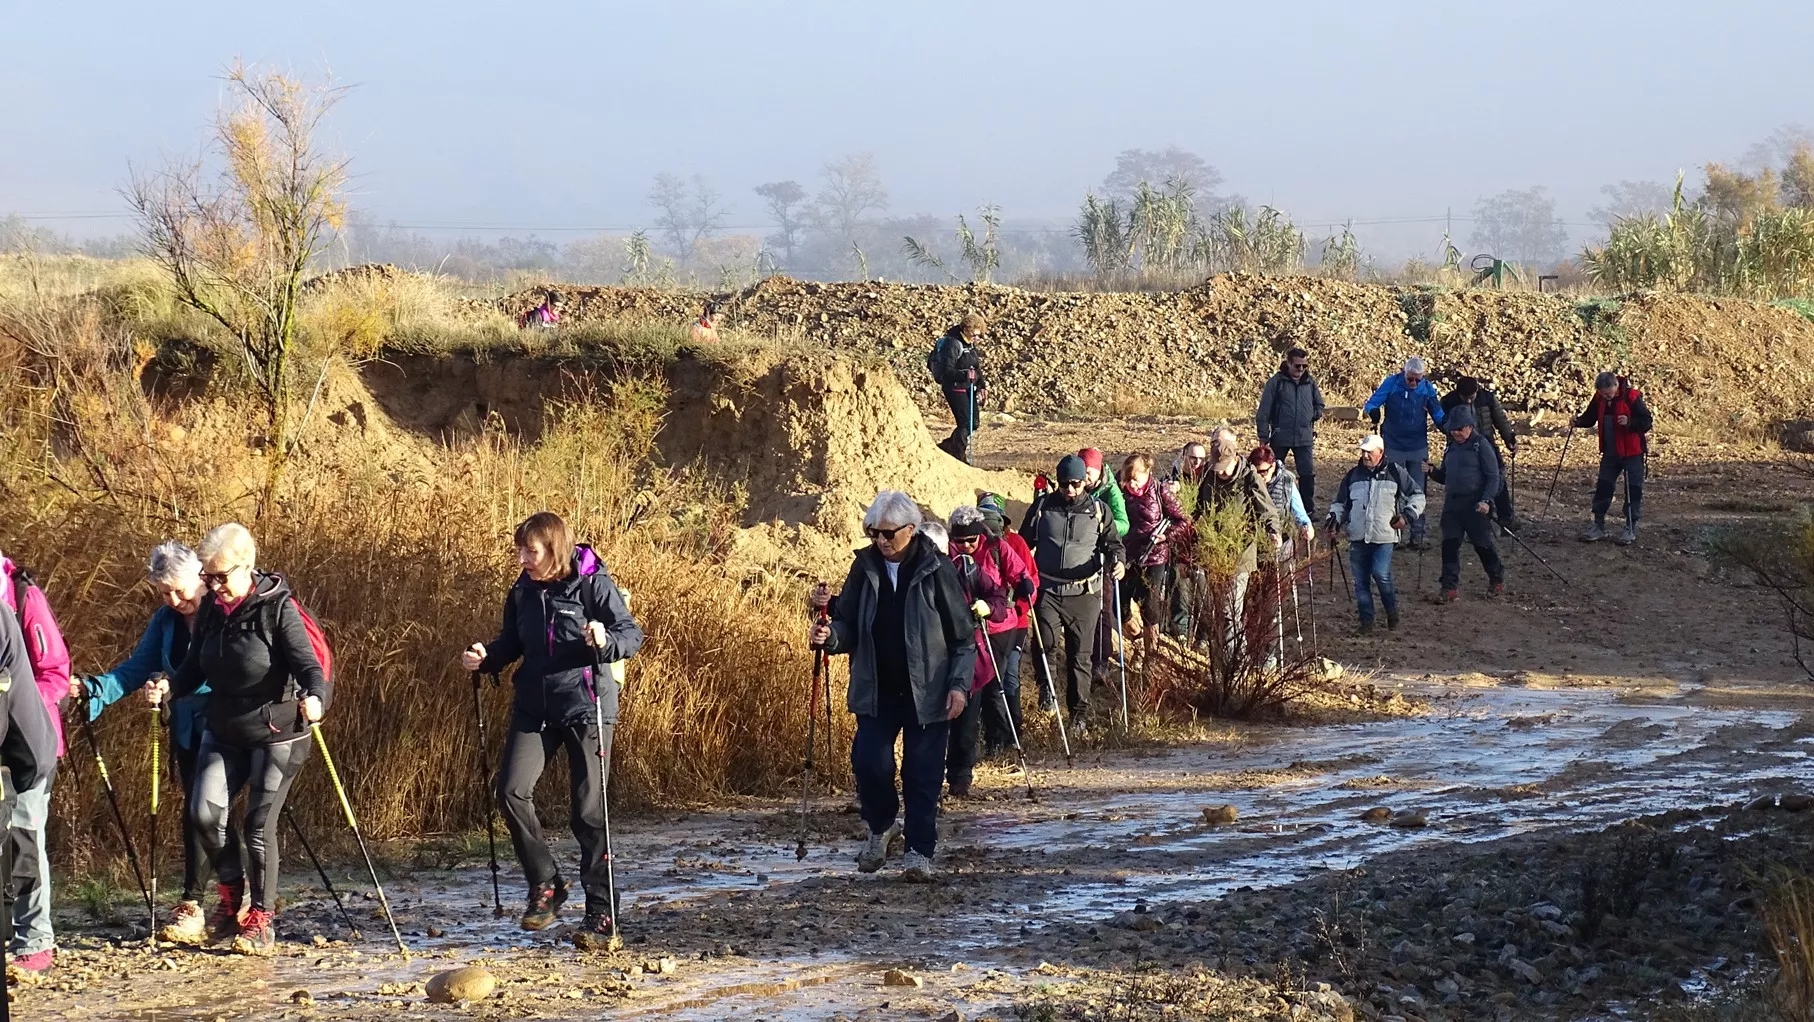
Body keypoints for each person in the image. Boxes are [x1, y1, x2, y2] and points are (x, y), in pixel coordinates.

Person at [460, 512, 643, 946]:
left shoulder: (592, 584)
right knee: (511, 791)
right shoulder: (522, 590)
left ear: (554, 549)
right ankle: (546, 884)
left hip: (587, 705)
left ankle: (601, 914)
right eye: (519, 550)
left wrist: (604, 639)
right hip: (534, 707)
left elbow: (631, 634)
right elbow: (513, 642)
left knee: (588, 812)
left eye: (531, 551)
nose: (522, 559)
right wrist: (486, 657)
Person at [147, 523, 330, 955]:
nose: (213, 586)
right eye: (207, 577)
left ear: (246, 566)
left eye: (220, 577)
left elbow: (309, 667)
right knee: (203, 814)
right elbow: (194, 667)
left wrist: (317, 698)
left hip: (278, 732)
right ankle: (231, 899)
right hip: (224, 728)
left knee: (257, 826)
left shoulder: (277, 607)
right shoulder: (212, 609)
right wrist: (169, 686)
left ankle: (261, 920)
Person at [810, 492, 975, 882]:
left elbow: (963, 638)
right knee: (870, 762)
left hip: (928, 690)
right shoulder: (864, 567)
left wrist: (958, 686)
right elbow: (847, 623)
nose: (881, 541)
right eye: (874, 533)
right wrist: (830, 636)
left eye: (888, 533)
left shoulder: (937, 569)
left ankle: (918, 851)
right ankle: (882, 827)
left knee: (922, 773)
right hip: (877, 687)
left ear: (911, 530)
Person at [73, 542, 226, 944]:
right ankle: (225, 899)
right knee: (200, 810)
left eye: (179, 590)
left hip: (230, 723)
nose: (173, 600)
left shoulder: (225, 609)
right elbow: (137, 667)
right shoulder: (165, 620)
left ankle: (205, 902)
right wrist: (93, 688)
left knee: (204, 811)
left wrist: (173, 685)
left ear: (200, 577)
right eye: (164, 593)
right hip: (188, 726)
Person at [1020, 456, 1124, 737]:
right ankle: (1047, 693)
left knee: (1080, 656)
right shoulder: (1043, 508)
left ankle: (1079, 715)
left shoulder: (1099, 511)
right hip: (1048, 590)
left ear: (1084, 482)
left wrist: (1118, 562)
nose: (1070, 490)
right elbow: (1023, 544)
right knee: (1045, 644)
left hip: (1084, 594)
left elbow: (1114, 545)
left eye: (1076, 484)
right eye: (1064, 484)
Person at [0, 550, 67, 973]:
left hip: (30, 742)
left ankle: (35, 939)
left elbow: (56, 672)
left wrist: (17, 703)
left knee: (24, 835)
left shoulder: (24, 597)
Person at [938, 512, 1011, 798]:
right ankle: (930, 778)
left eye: (972, 540)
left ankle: (960, 778)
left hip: (970, 652)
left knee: (967, 721)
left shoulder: (968, 568)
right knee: (934, 722)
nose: (966, 545)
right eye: (960, 541)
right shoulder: (925, 568)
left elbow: (999, 598)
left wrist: (988, 608)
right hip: (932, 654)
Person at [1192, 428, 1282, 654]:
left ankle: (1235, 657)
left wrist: (1274, 532)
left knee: (1229, 608)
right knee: (1219, 608)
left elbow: (1267, 509)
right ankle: (1228, 654)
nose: (1221, 472)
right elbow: (1196, 507)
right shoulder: (1208, 475)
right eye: (1218, 468)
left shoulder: (1249, 477)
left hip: (1241, 552)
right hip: (1214, 550)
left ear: (1234, 459)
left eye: (1225, 467)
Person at [1326, 435, 1425, 634]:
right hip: (1358, 536)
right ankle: (1366, 622)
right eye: (1363, 451)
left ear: (1380, 452)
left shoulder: (1396, 472)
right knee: (1360, 582)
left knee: (1380, 574)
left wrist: (1407, 516)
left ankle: (1392, 613)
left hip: (1385, 536)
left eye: (1369, 452)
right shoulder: (1352, 475)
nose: (1365, 455)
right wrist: (1333, 520)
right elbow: (1340, 504)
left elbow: (1418, 495)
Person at [975, 494, 1036, 756]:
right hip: (983, 625)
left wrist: (1020, 606)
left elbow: (1029, 579)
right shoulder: (971, 544)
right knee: (986, 680)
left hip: (1014, 623)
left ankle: (1011, 732)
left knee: (1006, 678)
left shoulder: (1014, 543)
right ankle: (992, 735)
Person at [1363, 357, 1446, 549]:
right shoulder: (1392, 383)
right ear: (1403, 373)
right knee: (1392, 489)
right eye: (1411, 379)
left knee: (1418, 490)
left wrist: (1445, 424)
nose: (1414, 383)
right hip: (1393, 444)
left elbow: (1437, 411)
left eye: (1418, 379)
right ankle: (1394, 534)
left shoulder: (1427, 388)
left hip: (1417, 446)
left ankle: (1418, 535)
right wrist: (1373, 411)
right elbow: (1372, 403)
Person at [1427, 406, 1505, 602]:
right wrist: (1431, 471)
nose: (1456, 433)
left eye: (1459, 429)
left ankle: (1496, 578)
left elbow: (1493, 477)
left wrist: (1486, 500)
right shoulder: (1451, 447)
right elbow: (1445, 476)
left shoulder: (1481, 445)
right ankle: (1449, 588)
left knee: (1482, 545)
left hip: (1475, 505)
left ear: (1470, 427)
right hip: (1452, 504)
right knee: (1449, 545)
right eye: (1453, 429)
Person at [1119, 453, 1191, 664]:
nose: (1132, 484)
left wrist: (1166, 536)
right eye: (1128, 479)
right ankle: (1138, 641)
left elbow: (1183, 521)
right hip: (1127, 557)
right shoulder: (1120, 494)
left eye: (1135, 479)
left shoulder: (1160, 491)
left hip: (1154, 557)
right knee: (1121, 607)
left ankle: (1150, 658)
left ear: (1148, 472)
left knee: (1150, 607)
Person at [1575, 371, 1653, 546]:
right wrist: (1578, 421)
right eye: (1604, 394)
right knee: (1603, 487)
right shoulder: (1599, 398)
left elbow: (1647, 421)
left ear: (1616, 386)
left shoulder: (1632, 397)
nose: (1607, 397)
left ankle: (1630, 528)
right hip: (1610, 453)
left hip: (1632, 453)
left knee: (1632, 490)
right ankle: (1598, 526)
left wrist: (1630, 423)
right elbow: (1590, 417)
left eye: (1609, 394)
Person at [1441, 375, 1520, 532]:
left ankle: (1506, 518)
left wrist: (1509, 438)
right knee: (1470, 482)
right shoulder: (1448, 402)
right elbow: (1443, 423)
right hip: (1462, 447)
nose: (1469, 401)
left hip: (1487, 443)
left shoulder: (1487, 398)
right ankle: (1477, 521)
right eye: (1465, 398)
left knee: (1498, 478)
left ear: (1477, 390)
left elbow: (1500, 419)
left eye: (1472, 397)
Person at [1255, 347, 1325, 513]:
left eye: (1304, 366)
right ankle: (1272, 506)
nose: (1301, 369)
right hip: (1280, 436)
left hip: (1304, 437)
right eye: (1297, 365)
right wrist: (1263, 437)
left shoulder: (1310, 382)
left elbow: (1320, 404)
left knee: (1307, 474)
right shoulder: (1276, 382)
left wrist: (1311, 415)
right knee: (1274, 471)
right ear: (1288, 363)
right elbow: (1264, 412)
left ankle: (1308, 509)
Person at [928, 312, 989, 462]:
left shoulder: (969, 343)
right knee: (965, 423)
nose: (977, 338)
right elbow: (946, 371)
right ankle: (958, 455)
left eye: (979, 335)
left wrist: (982, 386)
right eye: (975, 334)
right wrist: (965, 375)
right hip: (954, 388)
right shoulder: (953, 344)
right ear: (966, 329)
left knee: (974, 423)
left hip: (968, 388)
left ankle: (947, 447)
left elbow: (976, 368)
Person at [1079, 449, 1131, 538]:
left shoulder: (1111, 491)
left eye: (1088, 472)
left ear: (1098, 470)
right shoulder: (1075, 487)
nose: (1084, 477)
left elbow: (1124, 525)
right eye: (1081, 472)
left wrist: (1104, 524)